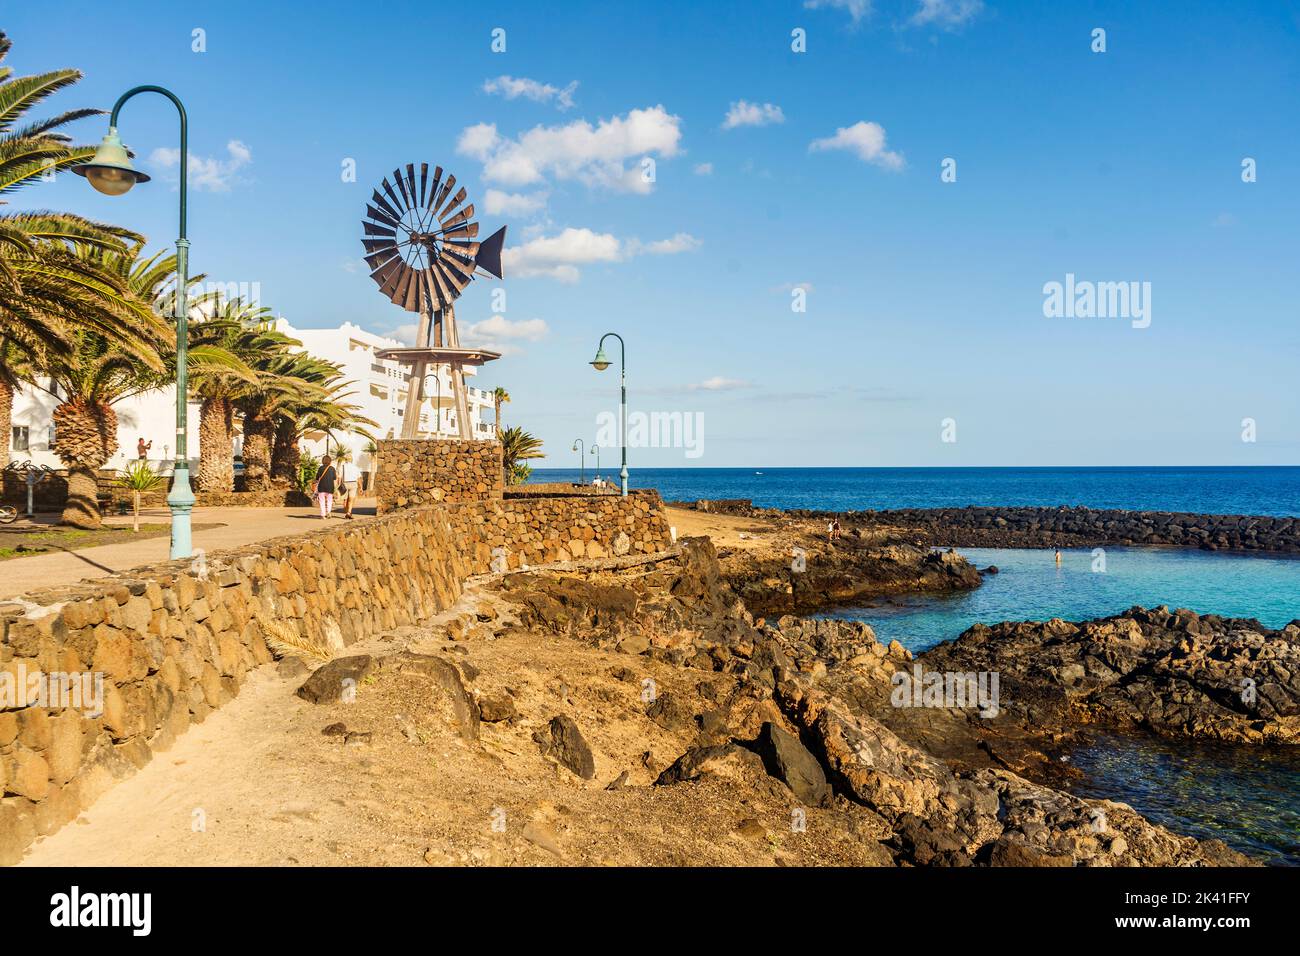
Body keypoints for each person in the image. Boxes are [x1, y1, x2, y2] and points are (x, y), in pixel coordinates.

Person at [313, 455, 337, 519]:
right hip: (330, 487)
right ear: (330, 461)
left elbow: (317, 477)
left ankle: (323, 515)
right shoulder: (332, 468)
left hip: (321, 487)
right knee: (329, 500)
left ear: (323, 461)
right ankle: (328, 512)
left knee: (322, 501)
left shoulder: (320, 468)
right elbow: (334, 478)